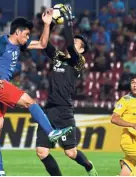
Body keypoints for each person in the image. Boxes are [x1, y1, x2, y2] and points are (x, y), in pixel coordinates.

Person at [0, 10, 72, 176]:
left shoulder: (20, 44)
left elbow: (43, 44)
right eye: (26, 33)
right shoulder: (1, 43)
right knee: (30, 101)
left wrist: (46, 24)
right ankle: (51, 132)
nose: (28, 36)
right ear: (17, 32)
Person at [35, 6, 98, 176]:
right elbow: (44, 44)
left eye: (78, 42)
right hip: (49, 109)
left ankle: (89, 166)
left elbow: (70, 45)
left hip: (64, 110)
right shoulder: (58, 57)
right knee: (41, 151)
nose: (72, 42)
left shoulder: (78, 61)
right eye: (73, 40)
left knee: (70, 152)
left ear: (82, 50)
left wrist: (68, 19)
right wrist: (48, 25)